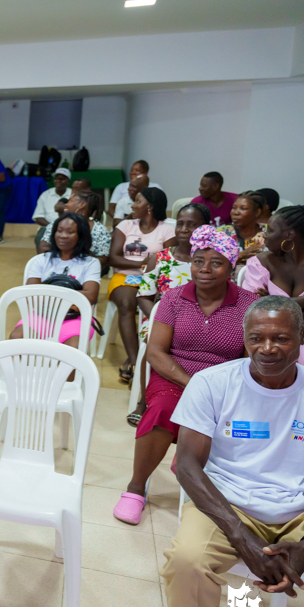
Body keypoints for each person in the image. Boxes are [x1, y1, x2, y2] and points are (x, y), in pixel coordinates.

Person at [160, 296, 304, 607]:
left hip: (302, 513)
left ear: (301, 337)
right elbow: (187, 466)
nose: (267, 349)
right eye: (256, 338)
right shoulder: (211, 384)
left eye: (281, 338)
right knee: (187, 562)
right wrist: (243, 539)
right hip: (226, 507)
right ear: (244, 337)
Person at [113, 225, 257, 526]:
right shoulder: (174, 298)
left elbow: (249, 358)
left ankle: (194, 463)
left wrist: (217, 388)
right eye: (198, 261)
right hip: (175, 377)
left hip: (224, 383)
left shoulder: (247, 304)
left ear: (231, 267)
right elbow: (155, 353)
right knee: (163, 409)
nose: (205, 269)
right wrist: (194, 385)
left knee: (230, 418)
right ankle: (136, 488)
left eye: (216, 262)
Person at [127, 203, 212, 426]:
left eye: (192, 225)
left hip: (202, 322)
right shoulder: (160, 258)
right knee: (152, 341)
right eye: (180, 223)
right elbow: (144, 297)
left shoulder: (211, 261)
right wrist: (162, 321)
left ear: (205, 228)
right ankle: (143, 400)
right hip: (160, 321)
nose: (184, 229)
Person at [242, 205, 304, 367]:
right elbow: (253, 310)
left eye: (270, 230)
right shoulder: (260, 262)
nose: (264, 235)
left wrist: (274, 305)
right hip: (266, 336)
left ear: (289, 235)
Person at [108, 187, 176, 383]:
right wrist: (144, 264)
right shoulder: (126, 226)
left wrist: (149, 269)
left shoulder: (167, 229)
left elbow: (167, 260)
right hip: (125, 277)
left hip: (155, 280)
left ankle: (155, 355)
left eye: (138, 201)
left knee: (159, 309)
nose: (133, 205)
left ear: (150, 207)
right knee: (126, 303)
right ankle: (135, 359)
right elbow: (114, 258)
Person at [15, 213, 100, 347]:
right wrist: (72, 299)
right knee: (17, 338)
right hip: (41, 315)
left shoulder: (90, 263)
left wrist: (47, 294)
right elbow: (30, 294)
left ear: (81, 236)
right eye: (59, 231)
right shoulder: (41, 260)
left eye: (70, 232)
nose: (62, 235)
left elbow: (90, 296)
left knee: (73, 350)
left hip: (74, 318)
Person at [40, 190, 111, 273]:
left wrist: (77, 267)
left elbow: (103, 259)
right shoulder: (57, 224)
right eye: (60, 231)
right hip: (54, 269)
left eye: (70, 201)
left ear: (82, 205)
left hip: (85, 273)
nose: (66, 204)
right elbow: (43, 249)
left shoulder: (100, 230)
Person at [216, 190, 268, 267]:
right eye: (234, 208)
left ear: (257, 212)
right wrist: (242, 255)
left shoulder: (269, 232)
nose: (235, 212)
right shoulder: (222, 233)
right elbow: (216, 263)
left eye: (243, 209)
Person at [32, 168, 72, 249]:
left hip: (70, 227)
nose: (58, 181)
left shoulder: (73, 195)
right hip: (47, 227)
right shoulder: (45, 195)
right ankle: (45, 260)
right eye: (56, 178)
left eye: (62, 179)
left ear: (68, 181)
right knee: (39, 238)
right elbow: (38, 218)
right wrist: (53, 227)